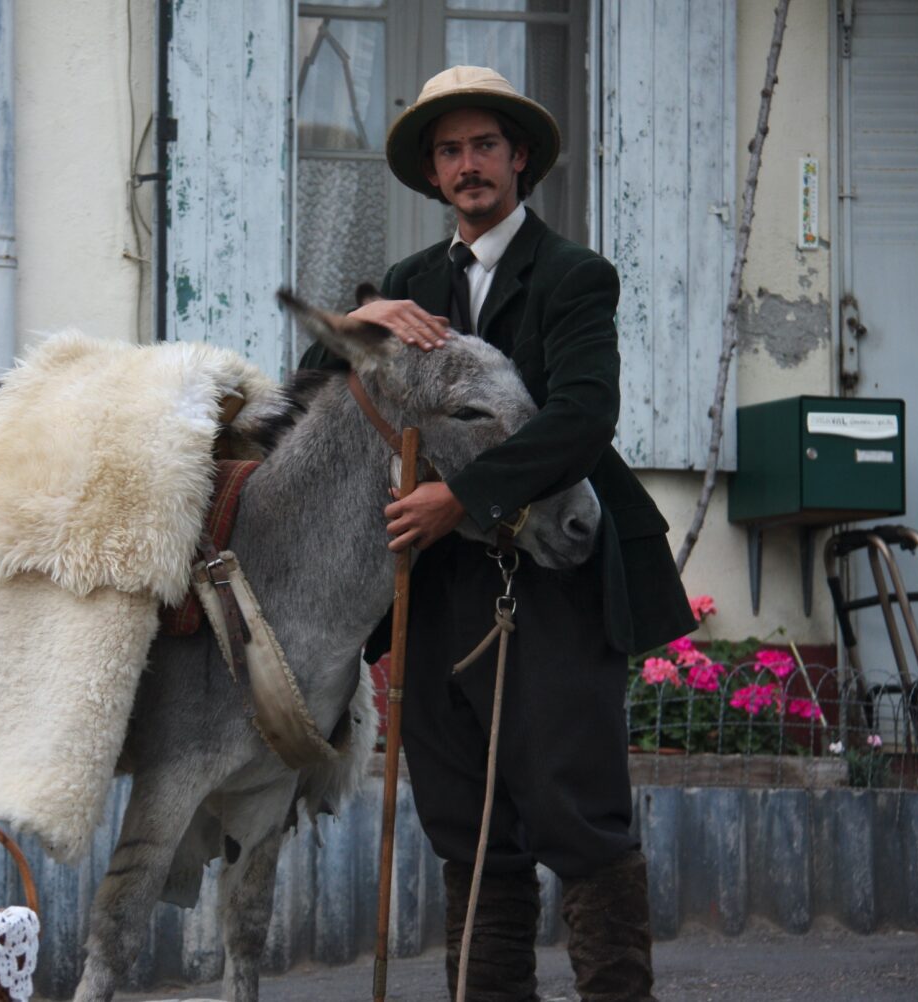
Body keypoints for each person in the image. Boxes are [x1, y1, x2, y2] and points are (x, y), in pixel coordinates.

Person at [300, 66, 694, 1001]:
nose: (468, 166)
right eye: (450, 151)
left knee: (579, 817)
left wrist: (462, 498)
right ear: (433, 176)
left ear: (520, 159)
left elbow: (582, 416)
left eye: (484, 146)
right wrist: (356, 319)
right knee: (467, 826)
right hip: (435, 594)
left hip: (554, 582)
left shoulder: (572, 276)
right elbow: (324, 391)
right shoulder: (407, 285)